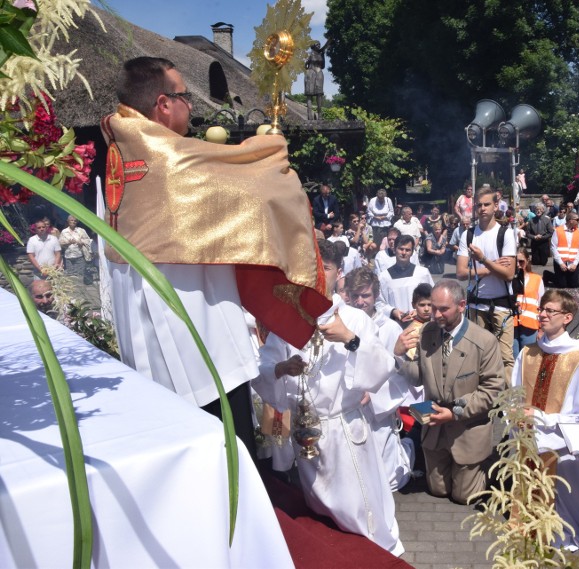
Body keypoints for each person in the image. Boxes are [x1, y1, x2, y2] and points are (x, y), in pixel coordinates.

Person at [102, 57, 328, 458]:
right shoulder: (174, 162)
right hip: (201, 342)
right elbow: (258, 185)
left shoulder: (124, 151)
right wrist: (275, 151)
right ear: (163, 104)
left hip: (149, 340)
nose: (191, 105)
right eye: (184, 96)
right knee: (224, 459)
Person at [253, 241, 403, 555]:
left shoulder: (355, 319)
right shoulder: (286, 325)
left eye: (326, 269)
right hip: (307, 435)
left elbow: (380, 368)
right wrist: (280, 368)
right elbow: (263, 369)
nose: (318, 276)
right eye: (311, 270)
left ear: (338, 275)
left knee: (358, 511)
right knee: (319, 511)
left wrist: (350, 339)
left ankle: (374, 556)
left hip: (346, 431)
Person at [394, 279, 505, 504]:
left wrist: (454, 413)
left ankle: (485, 463)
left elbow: (492, 390)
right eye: (433, 307)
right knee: (438, 491)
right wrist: (399, 356)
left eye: (443, 309)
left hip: (466, 427)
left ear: (462, 305)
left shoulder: (485, 341)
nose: (435, 314)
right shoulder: (427, 332)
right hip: (434, 428)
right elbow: (416, 377)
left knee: (464, 497)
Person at [511, 289, 579, 550]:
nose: (543, 315)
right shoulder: (528, 354)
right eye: (542, 309)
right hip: (528, 441)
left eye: (550, 311)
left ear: (568, 317)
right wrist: (513, 418)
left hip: (560, 447)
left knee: (566, 509)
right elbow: (513, 394)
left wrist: (541, 417)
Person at [344, 267, 420, 492]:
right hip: (349, 407)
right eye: (355, 295)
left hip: (378, 410)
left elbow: (399, 376)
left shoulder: (389, 328)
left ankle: (409, 445)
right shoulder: (343, 324)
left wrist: (372, 394)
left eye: (365, 295)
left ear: (375, 295)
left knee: (389, 482)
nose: (359, 302)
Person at [456, 186, 518, 383]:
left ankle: (508, 405)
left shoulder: (505, 234)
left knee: (506, 358)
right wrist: (491, 267)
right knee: (477, 356)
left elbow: (509, 274)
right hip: (476, 304)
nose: (482, 208)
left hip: (501, 304)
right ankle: (482, 403)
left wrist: (483, 259)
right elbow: (461, 273)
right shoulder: (468, 235)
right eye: (478, 205)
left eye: (486, 204)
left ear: (495, 206)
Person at [379, 235, 434, 322]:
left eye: (408, 250)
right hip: (396, 325)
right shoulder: (384, 277)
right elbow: (379, 303)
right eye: (401, 249)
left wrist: (419, 310)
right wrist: (393, 311)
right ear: (394, 250)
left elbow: (433, 297)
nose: (404, 253)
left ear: (412, 252)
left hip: (421, 324)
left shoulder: (423, 273)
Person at [512, 248, 543, 358]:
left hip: (530, 325)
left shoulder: (537, 279)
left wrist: (541, 329)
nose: (518, 265)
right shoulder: (507, 279)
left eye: (521, 261)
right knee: (513, 358)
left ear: (527, 260)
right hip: (512, 324)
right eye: (515, 261)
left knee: (528, 359)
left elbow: (542, 305)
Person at [550, 213, 579, 289]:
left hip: (573, 262)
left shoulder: (578, 232)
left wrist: (575, 264)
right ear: (571, 221)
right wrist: (560, 263)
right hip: (561, 262)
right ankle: (548, 275)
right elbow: (553, 247)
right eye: (577, 220)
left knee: (573, 285)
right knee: (562, 285)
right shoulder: (558, 230)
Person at [59, 215, 92, 279]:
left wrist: (81, 242)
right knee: (70, 276)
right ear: (68, 221)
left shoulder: (81, 231)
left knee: (80, 275)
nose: (73, 222)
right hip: (68, 256)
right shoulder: (64, 231)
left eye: (75, 221)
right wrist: (68, 242)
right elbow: (60, 242)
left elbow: (88, 240)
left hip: (79, 255)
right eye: (71, 220)